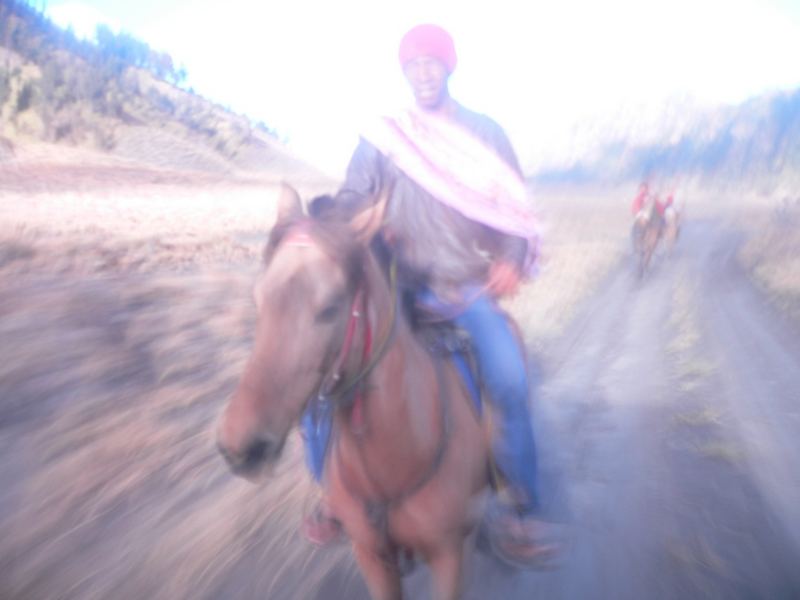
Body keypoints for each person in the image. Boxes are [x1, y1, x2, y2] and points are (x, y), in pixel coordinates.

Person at [301, 23, 548, 562]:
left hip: (462, 287)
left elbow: (513, 205)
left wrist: (508, 259)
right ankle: (332, 494)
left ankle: (521, 507)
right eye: (413, 66)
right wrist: (326, 223)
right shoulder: (387, 138)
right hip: (395, 288)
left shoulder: (484, 132)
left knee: (507, 377)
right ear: (404, 73)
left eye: (432, 63)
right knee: (320, 383)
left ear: (448, 67)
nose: (423, 74)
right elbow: (351, 198)